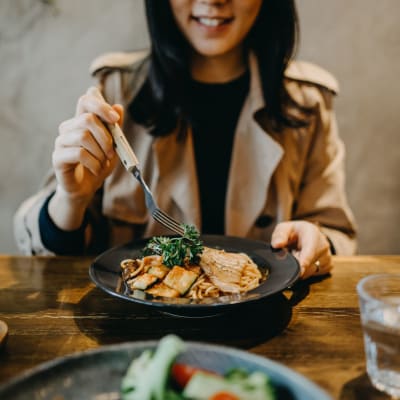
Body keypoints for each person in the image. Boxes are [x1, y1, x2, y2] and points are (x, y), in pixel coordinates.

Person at [14, 0, 357, 279]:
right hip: (133, 331)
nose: (214, 1)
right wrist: (71, 199)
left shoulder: (306, 103)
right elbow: (37, 245)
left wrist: (319, 244)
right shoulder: (116, 91)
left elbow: (336, 234)